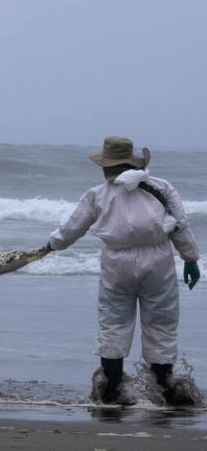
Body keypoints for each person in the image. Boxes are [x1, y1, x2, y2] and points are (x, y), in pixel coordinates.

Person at [47, 136, 200, 405]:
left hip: (117, 264)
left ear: (107, 165)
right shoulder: (161, 187)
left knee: (114, 323)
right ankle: (163, 390)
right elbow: (180, 225)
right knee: (161, 323)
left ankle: (111, 390)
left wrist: (51, 245)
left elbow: (72, 228)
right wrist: (190, 258)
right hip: (158, 261)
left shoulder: (97, 194)